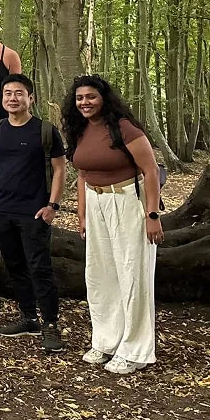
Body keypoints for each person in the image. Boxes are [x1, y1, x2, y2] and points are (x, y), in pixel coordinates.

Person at [63, 75, 162, 375]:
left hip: (128, 201)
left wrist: (152, 215)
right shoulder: (79, 130)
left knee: (132, 272)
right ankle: (106, 340)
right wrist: (82, 214)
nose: (85, 103)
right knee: (100, 274)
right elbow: (81, 173)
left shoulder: (124, 128)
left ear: (103, 98)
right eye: (80, 98)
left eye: (91, 97)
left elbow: (151, 170)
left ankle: (136, 349)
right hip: (96, 204)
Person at [0, 74, 68, 352]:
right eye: (7, 93)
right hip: (3, 210)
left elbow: (59, 169)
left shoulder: (44, 130)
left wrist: (52, 206)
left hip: (34, 211)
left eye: (19, 93)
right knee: (15, 266)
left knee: (39, 268)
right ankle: (28, 317)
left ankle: (51, 325)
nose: (12, 98)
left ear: (30, 98)